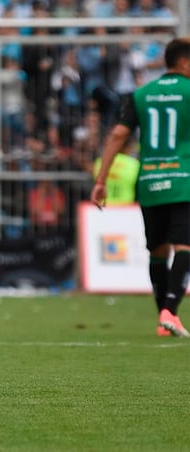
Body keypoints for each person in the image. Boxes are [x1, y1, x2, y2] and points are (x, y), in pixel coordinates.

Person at [92, 37, 190, 338]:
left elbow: (119, 135)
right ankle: (170, 311)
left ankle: (164, 318)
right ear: (185, 62)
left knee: (157, 252)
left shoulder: (141, 94)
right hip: (183, 181)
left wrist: (101, 179)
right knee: (184, 247)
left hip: (149, 182)